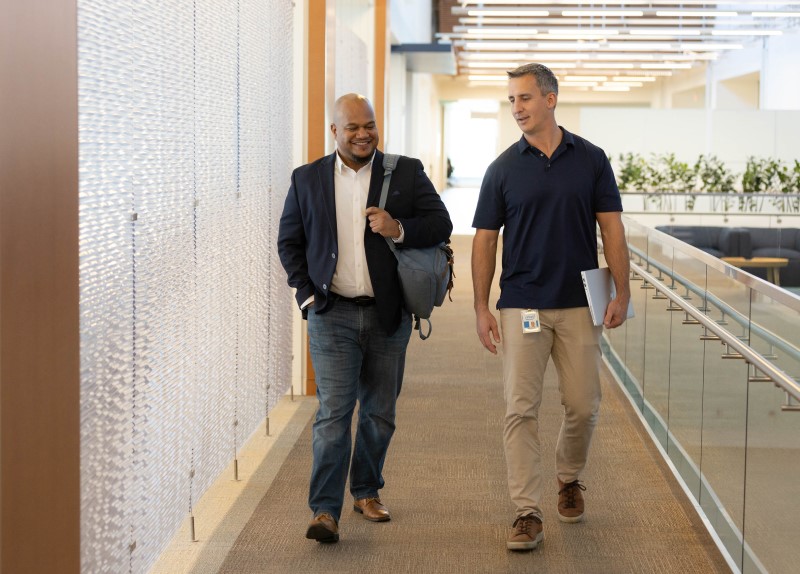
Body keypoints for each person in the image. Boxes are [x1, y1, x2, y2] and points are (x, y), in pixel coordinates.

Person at [277, 93, 452, 543]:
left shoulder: (405, 171)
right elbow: (289, 242)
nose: (362, 134)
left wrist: (399, 228)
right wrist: (305, 297)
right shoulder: (308, 179)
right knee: (334, 414)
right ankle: (325, 510)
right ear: (334, 131)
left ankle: (367, 490)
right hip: (331, 313)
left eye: (369, 125)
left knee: (379, 413)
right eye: (352, 127)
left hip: (388, 314)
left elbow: (441, 223)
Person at [471, 63, 631, 551]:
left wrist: (621, 292)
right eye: (512, 101)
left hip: (582, 299)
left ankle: (568, 477)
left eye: (524, 98)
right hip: (522, 303)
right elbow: (484, 241)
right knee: (520, 409)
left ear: (550, 99)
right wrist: (481, 306)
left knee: (584, 404)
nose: (517, 108)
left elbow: (612, 228)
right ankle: (527, 512)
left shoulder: (591, 159)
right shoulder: (502, 168)